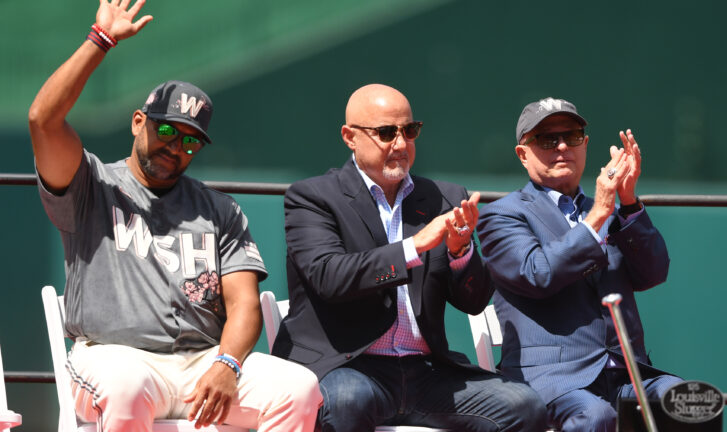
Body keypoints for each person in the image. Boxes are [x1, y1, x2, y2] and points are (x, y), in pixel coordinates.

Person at [28, 1, 321, 430]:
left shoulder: (219, 209)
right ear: (137, 122)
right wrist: (101, 40)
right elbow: (44, 119)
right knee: (126, 388)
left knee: (300, 389)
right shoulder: (89, 184)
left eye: (190, 141)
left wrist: (227, 364)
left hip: (202, 361)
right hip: (114, 357)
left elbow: (243, 304)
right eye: (165, 130)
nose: (175, 146)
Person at [271, 83, 546, 432]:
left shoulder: (444, 198)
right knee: (346, 402)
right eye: (386, 133)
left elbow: (474, 302)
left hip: (426, 374)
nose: (401, 144)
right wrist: (414, 246)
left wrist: (461, 251)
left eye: (409, 130)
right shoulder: (312, 197)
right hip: (348, 367)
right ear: (349, 136)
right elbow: (328, 277)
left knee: (524, 406)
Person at [476, 97, 682, 431]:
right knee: (596, 417)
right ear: (522, 154)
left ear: (585, 145)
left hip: (629, 374)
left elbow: (654, 273)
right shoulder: (502, 216)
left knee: (685, 401)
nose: (561, 147)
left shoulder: (612, 208)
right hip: (553, 380)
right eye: (546, 139)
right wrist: (599, 214)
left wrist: (628, 203)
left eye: (571, 137)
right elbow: (537, 274)